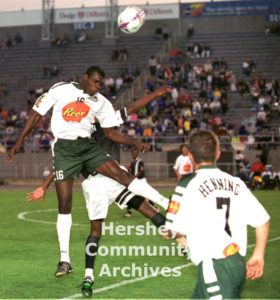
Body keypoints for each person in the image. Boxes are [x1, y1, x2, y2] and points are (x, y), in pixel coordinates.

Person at [7, 66, 171, 277]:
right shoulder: (62, 91)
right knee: (72, 210)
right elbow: (38, 115)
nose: (97, 87)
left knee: (137, 199)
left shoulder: (102, 107)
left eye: (100, 84)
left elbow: (126, 113)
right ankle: (66, 261)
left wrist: (136, 138)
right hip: (81, 169)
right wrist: (42, 181)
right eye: (94, 82)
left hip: (100, 164)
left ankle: (172, 217)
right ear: (85, 79)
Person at [26, 85, 189, 296]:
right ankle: (180, 236)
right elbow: (131, 108)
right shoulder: (95, 126)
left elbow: (131, 108)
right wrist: (156, 94)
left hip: (94, 185)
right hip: (109, 180)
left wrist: (45, 186)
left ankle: (87, 276)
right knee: (147, 209)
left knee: (101, 229)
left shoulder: (86, 127)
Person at [165, 129, 270, 299]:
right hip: (235, 262)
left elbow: (173, 231)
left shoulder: (187, 184)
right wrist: (258, 255)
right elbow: (262, 221)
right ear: (218, 154)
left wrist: (165, 223)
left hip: (213, 265)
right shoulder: (236, 183)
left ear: (190, 157)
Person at [125, 147, 146, 217]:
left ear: (137, 153)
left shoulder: (140, 161)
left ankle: (154, 207)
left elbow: (141, 171)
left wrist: (135, 177)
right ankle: (129, 211)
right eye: (132, 153)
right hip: (134, 181)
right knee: (130, 194)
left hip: (140, 180)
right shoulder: (132, 162)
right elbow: (131, 171)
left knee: (144, 196)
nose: (133, 154)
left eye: (134, 153)